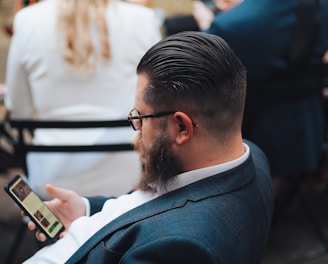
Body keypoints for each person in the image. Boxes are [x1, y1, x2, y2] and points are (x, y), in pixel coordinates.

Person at [22, 31, 273, 264]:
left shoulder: (178, 249)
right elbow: (152, 205)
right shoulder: (249, 156)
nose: (137, 128)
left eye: (141, 117)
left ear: (182, 128)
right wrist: (87, 211)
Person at [5, 0, 161, 198]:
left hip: (51, 180)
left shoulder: (27, 20)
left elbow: (20, 109)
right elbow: (158, 98)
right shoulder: (142, 19)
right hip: (125, 177)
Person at [193, 0, 328, 195]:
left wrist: (206, 25)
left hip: (256, 135)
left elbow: (203, 59)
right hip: (308, 127)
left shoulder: (231, 25)